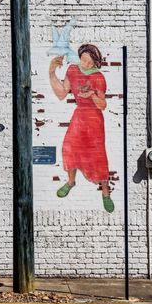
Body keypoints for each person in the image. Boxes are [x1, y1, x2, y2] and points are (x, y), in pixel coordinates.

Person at [49, 44, 114, 213]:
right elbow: (62, 93)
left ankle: (105, 192)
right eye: (83, 59)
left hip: (94, 119)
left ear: (95, 62)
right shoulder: (72, 70)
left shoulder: (98, 78)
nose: (85, 64)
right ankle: (71, 181)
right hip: (79, 116)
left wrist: (92, 94)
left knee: (98, 155)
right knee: (69, 148)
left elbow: (103, 105)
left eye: (89, 61)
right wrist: (51, 73)